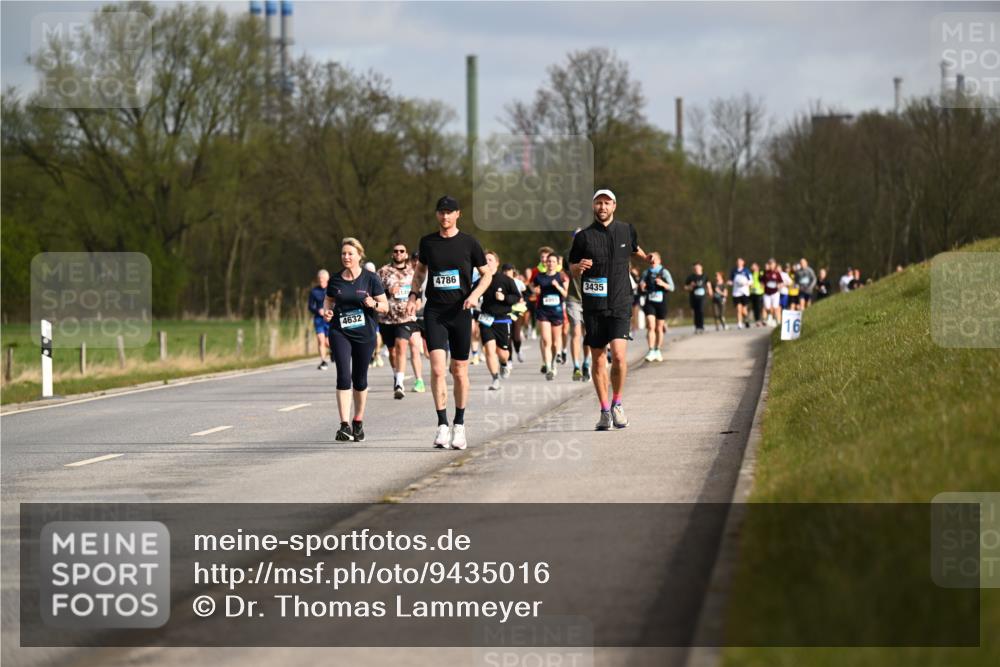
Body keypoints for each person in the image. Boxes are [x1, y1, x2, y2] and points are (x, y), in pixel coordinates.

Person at [405, 195, 491, 450]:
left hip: (461, 312)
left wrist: (475, 295)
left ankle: (460, 425)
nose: (445, 216)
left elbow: (487, 275)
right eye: (441, 212)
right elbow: (420, 272)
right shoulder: (428, 242)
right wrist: (413, 293)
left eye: (449, 212)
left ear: (457, 215)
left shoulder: (469, 243)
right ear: (437, 215)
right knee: (438, 369)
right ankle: (442, 425)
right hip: (435, 312)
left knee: (460, 371)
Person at [569, 189, 646, 430]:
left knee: (620, 357)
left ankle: (617, 403)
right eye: (598, 203)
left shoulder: (626, 229)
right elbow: (571, 266)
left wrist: (647, 257)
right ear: (593, 206)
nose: (602, 207)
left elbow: (634, 247)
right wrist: (578, 268)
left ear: (614, 205)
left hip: (621, 301)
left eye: (607, 203)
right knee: (598, 359)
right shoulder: (583, 237)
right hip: (593, 304)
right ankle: (604, 411)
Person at [322, 238, 390, 442]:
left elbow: (385, 306)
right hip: (340, 332)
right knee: (343, 376)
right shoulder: (335, 280)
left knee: (359, 380)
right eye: (343, 253)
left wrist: (374, 304)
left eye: (350, 253)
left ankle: (357, 421)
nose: (346, 257)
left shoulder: (371, 279)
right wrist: (327, 312)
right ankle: (344, 425)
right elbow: (329, 300)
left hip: (365, 333)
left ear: (360, 255)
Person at [377, 242, 422, 399]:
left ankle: (399, 384)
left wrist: (416, 301)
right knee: (392, 352)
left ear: (406, 253)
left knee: (401, 346)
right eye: (395, 251)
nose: (398, 253)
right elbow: (374, 292)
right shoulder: (383, 272)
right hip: (387, 318)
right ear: (392, 254)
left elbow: (418, 291)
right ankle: (397, 375)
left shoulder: (413, 272)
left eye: (402, 251)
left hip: (406, 317)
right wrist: (387, 291)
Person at [478, 257, 522, 390]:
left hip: (502, 319)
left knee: (502, 353)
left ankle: (504, 364)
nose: (487, 262)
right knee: (489, 350)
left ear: (497, 263)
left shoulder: (506, 280)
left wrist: (505, 298)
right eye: (485, 260)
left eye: (490, 260)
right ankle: (495, 378)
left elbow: (517, 297)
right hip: (486, 319)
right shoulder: (480, 280)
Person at [532, 253, 569, 380]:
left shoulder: (561, 277)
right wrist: (535, 291)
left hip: (557, 311)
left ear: (557, 264)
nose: (551, 264)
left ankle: (555, 362)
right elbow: (533, 288)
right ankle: (548, 367)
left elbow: (565, 294)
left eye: (553, 261)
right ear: (545, 263)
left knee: (555, 340)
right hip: (543, 311)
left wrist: (557, 286)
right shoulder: (539, 277)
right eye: (549, 261)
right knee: (546, 340)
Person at [565, 229, 590, 381]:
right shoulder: (568, 254)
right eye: (576, 237)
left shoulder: (593, 251)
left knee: (589, 335)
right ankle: (576, 367)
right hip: (573, 298)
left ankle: (586, 363)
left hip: (590, 299)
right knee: (576, 332)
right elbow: (566, 271)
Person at [640, 251, 673, 361]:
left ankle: (657, 349)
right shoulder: (646, 273)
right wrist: (642, 286)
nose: (652, 261)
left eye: (654, 260)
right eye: (651, 260)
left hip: (661, 302)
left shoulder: (664, 272)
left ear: (659, 261)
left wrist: (663, 284)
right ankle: (650, 350)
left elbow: (672, 287)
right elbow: (641, 285)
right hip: (650, 301)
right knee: (650, 326)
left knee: (659, 328)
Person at [308, 269, 332, 370]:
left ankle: (332, 351)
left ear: (327, 279)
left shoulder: (331, 290)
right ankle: (323, 361)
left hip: (330, 319)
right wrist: (318, 310)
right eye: (320, 279)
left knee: (327, 342)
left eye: (323, 279)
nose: (321, 281)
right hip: (319, 319)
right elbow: (310, 306)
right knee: (320, 340)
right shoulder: (314, 291)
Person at [684, 263, 711, 334]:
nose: (696, 269)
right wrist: (690, 286)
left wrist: (710, 292)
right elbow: (685, 287)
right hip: (693, 297)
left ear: (701, 268)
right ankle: (697, 326)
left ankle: (701, 326)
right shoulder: (690, 277)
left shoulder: (705, 276)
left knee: (701, 310)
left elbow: (708, 284)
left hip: (702, 297)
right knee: (695, 312)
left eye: (698, 267)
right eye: (695, 268)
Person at [728, 258, 752, 328]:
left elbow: (751, 281)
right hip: (736, 293)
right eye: (737, 262)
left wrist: (745, 283)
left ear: (743, 263)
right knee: (738, 309)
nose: (739, 263)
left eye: (740, 262)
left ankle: (746, 319)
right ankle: (739, 323)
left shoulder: (746, 271)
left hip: (745, 292)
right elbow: (731, 280)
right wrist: (730, 283)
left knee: (744, 310)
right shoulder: (733, 271)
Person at [762, 258, 783, 326]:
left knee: (775, 307)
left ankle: (774, 319)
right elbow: (762, 281)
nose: (771, 265)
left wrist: (779, 285)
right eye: (770, 264)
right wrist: (762, 285)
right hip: (767, 293)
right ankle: (770, 316)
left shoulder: (777, 273)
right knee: (767, 307)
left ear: (775, 265)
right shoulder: (765, 272)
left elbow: (781, 282)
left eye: (772, 264)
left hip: (775, 293)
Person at [749, 261, 765, 327]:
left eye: (754, 266)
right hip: (752, 292)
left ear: (757, 267)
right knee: (754, 307)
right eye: (752, 266)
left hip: (759, 292)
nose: (752, 267)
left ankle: (761, 319)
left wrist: (763, 284)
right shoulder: (751, 274)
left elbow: (763, 280)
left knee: (759, 307)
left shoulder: (760, 273)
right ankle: (757, 321)